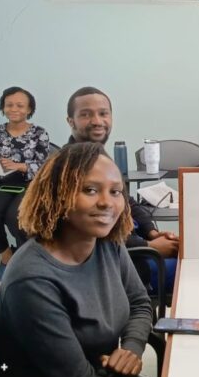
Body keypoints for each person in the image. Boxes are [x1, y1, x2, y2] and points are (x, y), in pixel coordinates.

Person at [0, 142, 154, 377]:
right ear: (58, 194)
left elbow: (139, 303)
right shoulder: (32, 279)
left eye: (116, 192)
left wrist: (131, 347)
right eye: (90, 190)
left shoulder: (107, 244)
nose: (107, 202)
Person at [65, 86, 179, 289]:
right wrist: (149, 246)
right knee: (192, 271)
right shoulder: (68, 167)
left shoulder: (99, 157)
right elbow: (93, 229)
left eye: (103, 113)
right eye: (86, 114)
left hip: (135, 249)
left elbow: (128, 202)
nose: (97, 121)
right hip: (121, 265)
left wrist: (152, 232)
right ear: (71, 121)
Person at [0, 86, 51, 281]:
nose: (14, 109)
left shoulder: (39, 133)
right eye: (9, 105)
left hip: (30, 186)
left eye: (20, 105)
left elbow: (45, 165)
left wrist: (20, 166)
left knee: (16, 217)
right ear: (3, 107)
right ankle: (7, 256)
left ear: (29, 109)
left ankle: (29, 261)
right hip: (3, 185)